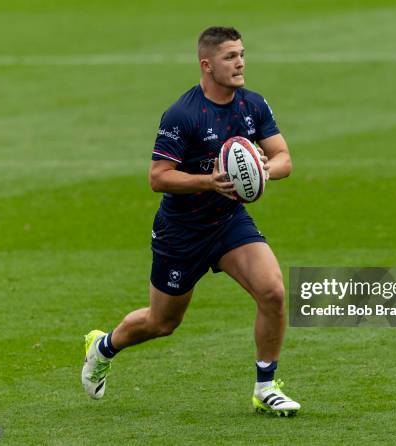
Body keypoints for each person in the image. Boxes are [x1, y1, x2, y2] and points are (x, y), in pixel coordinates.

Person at [81, 26, 300, 416]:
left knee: (273, 292)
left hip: (229, 223)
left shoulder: (253, 105)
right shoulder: (183, 114)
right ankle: (104, 347)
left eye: (242, 54)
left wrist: (266, 169)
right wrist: (209, 181)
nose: (240, 63)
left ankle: (266, 386)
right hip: (181, 232)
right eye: (230, 57)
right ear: (207, 64)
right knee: (162, 323)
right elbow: (158, 177)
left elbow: (283, 156)